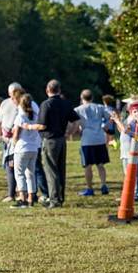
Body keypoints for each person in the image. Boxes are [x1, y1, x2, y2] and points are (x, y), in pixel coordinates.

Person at [31, 79, 79, 208]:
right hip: (61, 140)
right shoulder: (65, 103)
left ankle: (54, 200)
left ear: (47, 90)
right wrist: (69, 133)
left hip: (50, 140)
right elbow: (76, 121)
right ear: (59, 90)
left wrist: (30, 126)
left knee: (51, 170)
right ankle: (60, 197)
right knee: (60, 169)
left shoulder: (46, 104)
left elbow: (42, 125)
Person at [75, 89, 111, 196]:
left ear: (82, 98)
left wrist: (75, 131)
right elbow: (111, 117)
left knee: (87, 165)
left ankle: (89, 188)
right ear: (92, 97)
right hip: (99, 138)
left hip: (87, 139)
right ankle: (104, 185)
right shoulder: (100, 107)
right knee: (100, 164)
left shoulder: (78, 109)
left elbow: (75, 123)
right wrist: (105, 127)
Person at [11, 93, 42, 209]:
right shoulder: (35, 116)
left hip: (22, 148)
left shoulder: (20, 116)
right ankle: (31, 197)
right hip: (33, 148)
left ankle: (22, 198)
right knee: (30, 174)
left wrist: (13, 144)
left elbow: (16, 134)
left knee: (19, 174)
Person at [0, 83, 23, 203]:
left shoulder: (23, 103)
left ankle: (19, 192)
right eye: (10, 93)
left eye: (13, 92)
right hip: (6, 140)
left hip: (18, 139)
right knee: (8, 166)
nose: (11, 95)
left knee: (16, 166)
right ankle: (11, 193)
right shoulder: (4, 103)